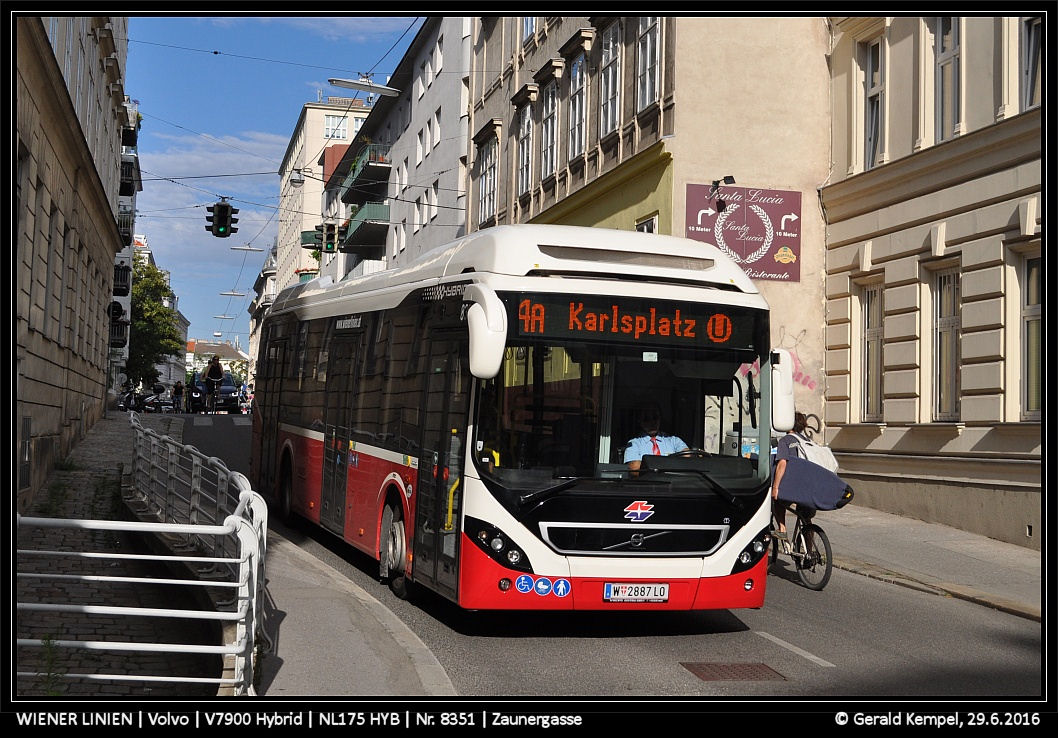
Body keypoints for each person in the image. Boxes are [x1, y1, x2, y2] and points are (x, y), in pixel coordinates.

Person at [772, 411, 810, 537]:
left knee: (777, 501)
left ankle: (782, 529)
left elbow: (782, 464)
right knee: (807, 521)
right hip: (808, 487)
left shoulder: (785, 441)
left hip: (793, 487)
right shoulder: (807, 441)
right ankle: (809, 546)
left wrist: (775, 488)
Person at [624, 404, 689, 473]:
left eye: (655, 418)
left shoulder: (674, 441)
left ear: (660, 419)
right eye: (646, 419)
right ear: (639, 421)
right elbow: (634, 469)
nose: (652, 422)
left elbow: (687, 460)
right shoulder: (634, 444)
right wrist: (670, 462)